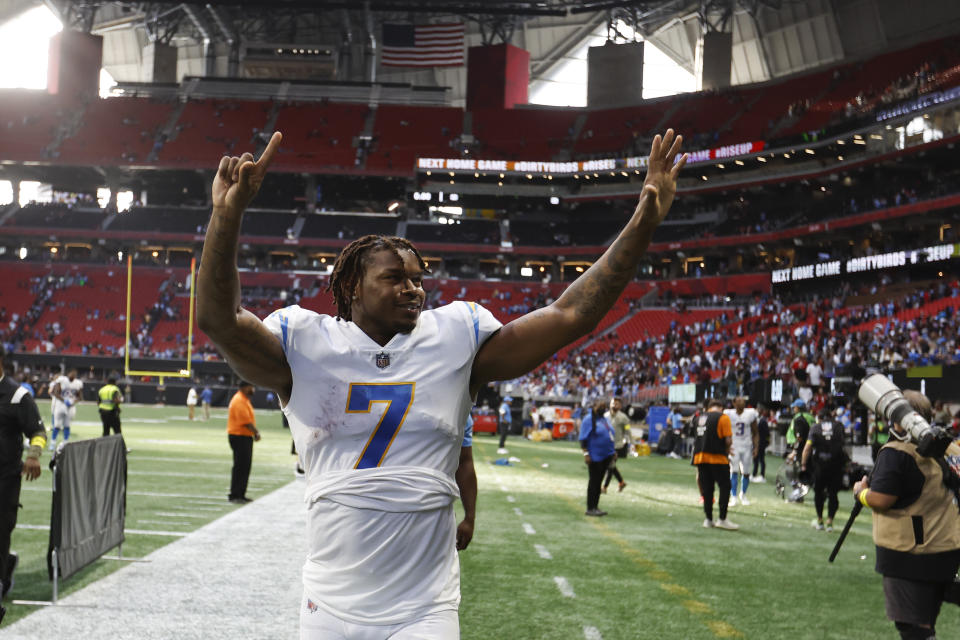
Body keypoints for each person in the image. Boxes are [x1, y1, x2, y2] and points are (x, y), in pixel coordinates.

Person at [195, 128, 686, 636]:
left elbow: (570, 315)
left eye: (418, 277)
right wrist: (227, 215)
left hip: (423, 606)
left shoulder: (457, 335)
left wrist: (643, 221)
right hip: (331, 604)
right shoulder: (306, 341)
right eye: (394, 277)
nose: (413, 288)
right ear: (351, 287)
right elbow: (218, 319)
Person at [852, 390, 960, 640]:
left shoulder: (897, 452)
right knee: (926, 622)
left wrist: (861, 492)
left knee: (914, 629)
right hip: (946, 548)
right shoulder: (949, 447)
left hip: (909, 554)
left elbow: (882, 500)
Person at [0, 346, 46, 621]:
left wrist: (33, 455)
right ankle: (8, 564)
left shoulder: (18, 396)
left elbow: (38, 432)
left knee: (0, 531)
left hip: (4, 480)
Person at [693, 398, 738, 530]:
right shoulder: (723, 418)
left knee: (707, 489)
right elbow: (728, 440)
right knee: (725, 487)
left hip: (700, 458)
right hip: (717, 458)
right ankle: (722, 519)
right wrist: (727, 449)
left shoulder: (698, 418)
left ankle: (708, 519)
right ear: (721, 408)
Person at [800, 403, 846, 531]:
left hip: (820, 465)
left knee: (818, 493)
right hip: (836, 464)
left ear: (819, 417)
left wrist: (803, 465)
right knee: (833, 494)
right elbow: (843, 445)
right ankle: (830, 521)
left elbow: (807, 448)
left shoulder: (815, 428)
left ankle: (820, 520)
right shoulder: (839, 426)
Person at [580, 400, 616, 516]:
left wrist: (613, 451)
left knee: (599, 482)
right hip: (595, 456)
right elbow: (583, 439)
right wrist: (586, 454)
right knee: (594, 482)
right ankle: (590, 507)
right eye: (600, 405)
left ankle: (596, 506)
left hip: (606, 455)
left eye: (604, 406)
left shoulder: (604, 419)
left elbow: (609, 435)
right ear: (594, 406)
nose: (602, 408)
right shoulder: (588, 419)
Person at [227, 381, 260, 504]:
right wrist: (256, 432)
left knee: (244, 466)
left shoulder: (243, 399)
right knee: (240, 466)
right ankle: (235, 494)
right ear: (245, 387)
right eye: (251, 386)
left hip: (243, 436)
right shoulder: (239, 400)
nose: (253, 389)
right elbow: (246, 421)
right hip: (239, 436)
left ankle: (240, 494)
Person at [724, 396, 758, 506]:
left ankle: (743, 494)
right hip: (734, 446)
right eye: (739, 400)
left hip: (747, 446)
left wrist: (756, 447)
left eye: (743, 400)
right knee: (733, 471)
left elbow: (755, 432)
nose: (742, 402)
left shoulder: (750, 414)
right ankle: (733, 496)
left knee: (746, 472)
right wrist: (726, 446)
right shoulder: (728, 414)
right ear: (734, 403)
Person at [49, 369, 82, 450]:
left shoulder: (78, 383)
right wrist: (65, 400)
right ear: (68, 373)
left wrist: (73, 402)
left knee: (67, 425)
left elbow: (80, 397)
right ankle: (53, 442)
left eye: (74, 375)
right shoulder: (62, 380)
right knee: (57, 425)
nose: (73, 376)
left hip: (70, 407)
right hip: (60, 405)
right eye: (72, 374)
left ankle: (65, 442)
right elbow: (56, 393)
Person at [602, 397, 630, 494]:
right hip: (606, 444)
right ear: (610, 404)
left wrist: (626, 441)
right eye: (613, 403)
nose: (614, 405)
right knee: (610, 465)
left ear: (620, 406)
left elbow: (627, 430)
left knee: (610, 465)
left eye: (617, 404)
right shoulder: (605, 416)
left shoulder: (624, 418)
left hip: (617, 445)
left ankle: (604, 487)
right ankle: (621, 482)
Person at [751, 404, 771, 483]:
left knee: (761, 460)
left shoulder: (763, 421)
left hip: (761, 443)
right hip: (756, 443)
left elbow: (767, 433)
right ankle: (754, 474)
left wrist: (767, 442)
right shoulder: (755, 420)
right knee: (755, 459)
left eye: (759, 410)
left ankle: (762, 475)